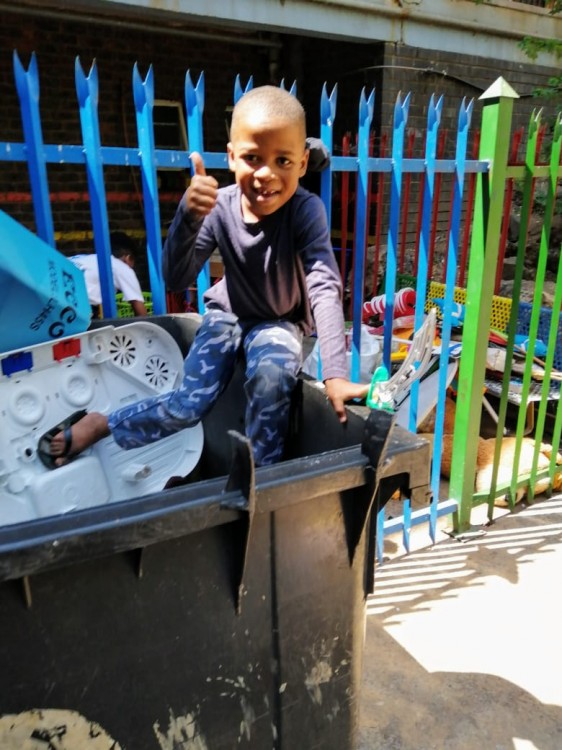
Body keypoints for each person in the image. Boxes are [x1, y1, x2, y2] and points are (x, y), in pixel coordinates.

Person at [46, 85, 369, 468]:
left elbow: (323, 283)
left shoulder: (305, 210)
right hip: (227, 316)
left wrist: (335, 374)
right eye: (253, 158)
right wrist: (188, 216)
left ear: (301, 165)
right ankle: (103, 424)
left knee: (270, 378)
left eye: (283, 160)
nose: (266, 174)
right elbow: (176, 277)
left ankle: (261, 476)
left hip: (277, 320)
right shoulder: (220, 207)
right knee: (188, 404)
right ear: (231, 157)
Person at [69, 231, 148, 317]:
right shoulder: (121, 267)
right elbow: (141, 313)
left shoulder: (85, 259)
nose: (131, 268)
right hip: (75, 310)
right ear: (128, 258)